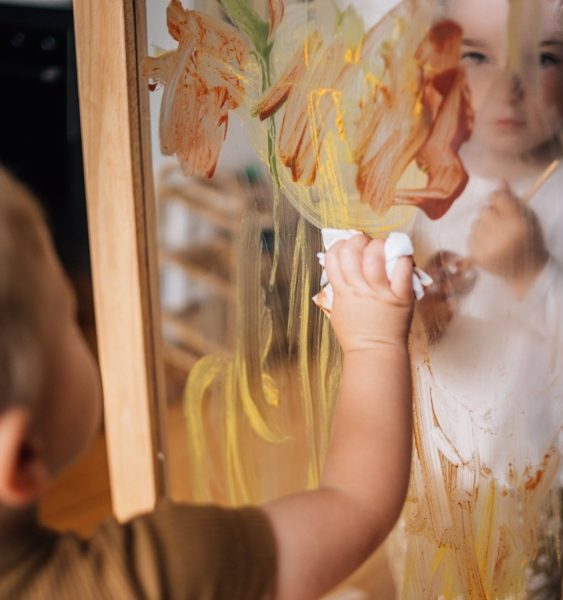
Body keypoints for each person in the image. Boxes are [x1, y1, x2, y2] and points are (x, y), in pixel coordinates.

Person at [0, 167, 415, 599]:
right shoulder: (158, 574)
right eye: (70, 313)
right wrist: (373, 342)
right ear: (23, 455)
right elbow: (354, 502)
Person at [389, 0, 563, 597]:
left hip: (536, 490)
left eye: (542, 57)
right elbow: (383, 344)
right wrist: (423, 312)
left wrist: (534, 275)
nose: (510, 88)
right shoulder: (412, 181)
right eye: (477, 55)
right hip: (427, 479)